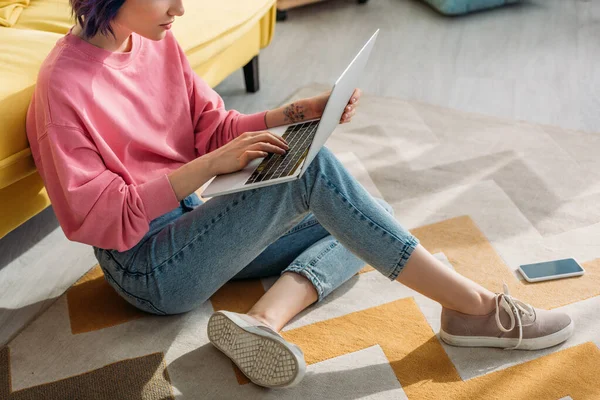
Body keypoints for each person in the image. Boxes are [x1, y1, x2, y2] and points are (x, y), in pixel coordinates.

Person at [26, 0, 574, 390]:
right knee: (320, 180)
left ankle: (265, 320)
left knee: (367, 215)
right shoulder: (63, 88)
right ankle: (474, 309)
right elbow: (99, 218)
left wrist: (299, 113)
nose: (181, 9)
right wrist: (209, 167)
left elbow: (213, 127)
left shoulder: (153, 41)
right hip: (148, 267)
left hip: (199, 223)